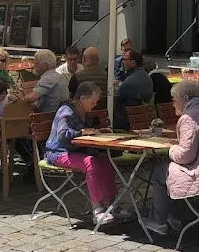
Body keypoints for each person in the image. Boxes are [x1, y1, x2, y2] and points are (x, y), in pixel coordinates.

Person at [142, 80, 199, 236]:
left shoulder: (189, 118)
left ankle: (160, 221)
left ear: (184, 98)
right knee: (169, 169)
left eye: (174, 99)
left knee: (160, 169)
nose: (172, 103)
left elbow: (185, 156)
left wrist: (172, 148)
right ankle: (173, 215)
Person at [44, 82, 127, 227]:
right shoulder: (66, 111)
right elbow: (63, 135)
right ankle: (98, 209)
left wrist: (99, 130)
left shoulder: (82, 111)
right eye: (92, 102)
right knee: (91, 162)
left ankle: (111, 203)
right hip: (58, 153)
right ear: (82, 98)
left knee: (105, 161)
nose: (94, 105)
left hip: (75, 152)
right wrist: (83, 132)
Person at [114, 50, 153, 131]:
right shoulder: (146, 77)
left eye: (124, 59)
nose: (122, 62)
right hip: (144, 118)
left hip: (125, 122)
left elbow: (118, 96)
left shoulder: (129, 82)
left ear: (133, 63)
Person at [21, 49, 68, 114]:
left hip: (47, 117)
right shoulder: (61, 75)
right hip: (60, 113)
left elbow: (32, 98)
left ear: (45, 66)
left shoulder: (48, 78)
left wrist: (21, 96)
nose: (34, 65)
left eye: (36, 63)